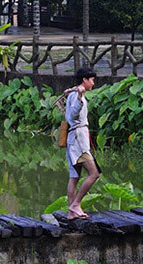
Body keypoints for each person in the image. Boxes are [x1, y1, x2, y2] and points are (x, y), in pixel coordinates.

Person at [65, 66, 101, 220]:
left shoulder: (73, 93)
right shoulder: (77, 96)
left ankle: (71, 212)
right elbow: (73, 114)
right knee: (94, 173)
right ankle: (76, 204)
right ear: (84, 80)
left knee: (75, 176)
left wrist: (76, 93)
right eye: (91, 80)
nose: (93, 83)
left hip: (74, 139)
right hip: (78, 140)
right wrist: (79, 97)